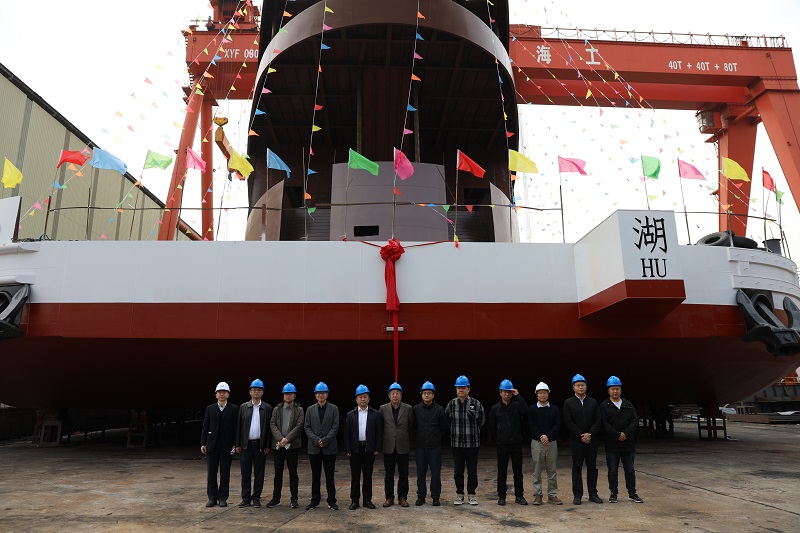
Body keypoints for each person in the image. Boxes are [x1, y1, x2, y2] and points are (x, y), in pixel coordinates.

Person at [599, 376, 644, 504]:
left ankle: (632, 493)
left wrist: (625, 433)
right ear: (608, 390)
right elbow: (604, 423)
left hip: (627, 444)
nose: (615, 391)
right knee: (612, 471)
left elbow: (634, 421)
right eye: (612, 389)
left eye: (617, 389)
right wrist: (617, 434)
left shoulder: (628, 405)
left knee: (630, 470)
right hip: (612, 444)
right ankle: (613, 494)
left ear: (621, 390)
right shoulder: (604, 406)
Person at [445, 375, 485, 505]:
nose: (461, 390)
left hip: (472, 444)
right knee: (458, 471)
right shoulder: (451, 404)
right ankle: (459, 494)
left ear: (469, 389)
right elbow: (447, 421)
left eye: (463, 387)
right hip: (457, 443)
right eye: (458, 388)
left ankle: (472, 494)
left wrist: (474, 432)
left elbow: (482, 420)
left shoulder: (475, 403)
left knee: (472, 471)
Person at [563, 374, 602, 505]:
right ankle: (577, 495)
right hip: (577, 441)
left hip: (592, 440)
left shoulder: (593, 402)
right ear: (573, 387)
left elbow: (598, 419)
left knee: (592, 467)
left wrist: (590, 434)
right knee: (577, 468)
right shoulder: (568, 403)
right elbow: (568, 421)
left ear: (586, 386)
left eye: (583, 385)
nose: (580, 387)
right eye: (578, 385)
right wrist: (581, 434)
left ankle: (593, 494)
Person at [488, 379, 528, 506]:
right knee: (502, 472)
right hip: (502, 444)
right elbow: (491, 426)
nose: (506, 394)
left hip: (516, 443)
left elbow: (525, 410)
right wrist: (498, 439)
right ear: (500, 392)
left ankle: (519, 496)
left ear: (512, 393)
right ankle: (502, 496)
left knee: (518, 472)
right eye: (504, 392)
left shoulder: (516, 405)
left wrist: (518, 396)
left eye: (509, 392)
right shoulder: (495, 408)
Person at [343, 384, 383, 510]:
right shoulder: (350, 414)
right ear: (356, 399)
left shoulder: (375, 414)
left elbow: (379, 432)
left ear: (369, 398)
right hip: (355, 449)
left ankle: (367, 500)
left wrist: (377, 448)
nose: (363, 399)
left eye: (365, 396)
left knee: (368, 476)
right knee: (355, 476)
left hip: (369, 448)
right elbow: (347, 433)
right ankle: (354, 500)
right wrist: (348, 449)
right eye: (360, 397)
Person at [235, 378, 273, 508]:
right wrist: (237, 444)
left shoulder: (267, 408)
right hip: (246, 445)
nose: (256, 392)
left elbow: (269, 429)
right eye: (254, 390)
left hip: (260, 446)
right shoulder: (243, 407)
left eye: (259, 390)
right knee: (245, 472)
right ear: (250, 392)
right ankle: (246, 498)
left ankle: (256, 498)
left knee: (259, 473)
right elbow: (239, 427)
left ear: (262, 392)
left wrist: (267, 445)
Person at [266, 382, 305, 509]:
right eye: (286, 394)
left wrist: (287, 439)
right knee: (278, 473)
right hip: (278, 445)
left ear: (294, 395)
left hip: (292, 446)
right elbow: (272, 424)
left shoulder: (299, 410)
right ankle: (276, 498)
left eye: (290, 394)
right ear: (283, 396)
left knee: (293, 472)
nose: (288, 396)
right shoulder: (277, 409)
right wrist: (280, 439)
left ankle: (294, 499)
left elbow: (299, 427)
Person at [201, 382, 238, 508]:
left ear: (228, 394)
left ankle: (223, 498)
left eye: (224, 392)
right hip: (212, 445)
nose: (222, 394)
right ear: (216, 395)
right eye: (219, 392)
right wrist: (203, 443)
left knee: (225, 473)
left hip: (227, 446)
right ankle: (212, 497)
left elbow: (236, 428)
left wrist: (235, 444)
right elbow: (205, 426)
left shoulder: (234, 409)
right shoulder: (210, 408)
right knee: (211, 473)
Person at [304, 382, 340, 510]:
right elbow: (307, 427)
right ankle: (315, 500)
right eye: (318, 393)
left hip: (329, 448)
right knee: (315, 476)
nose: (321, 395)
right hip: (314, 448)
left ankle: (331, 500)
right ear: (315, 395)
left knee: (330, 475)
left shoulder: (334, 409)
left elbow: (335, 426)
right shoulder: (310, 409)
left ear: (327, 394)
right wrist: (317, 440)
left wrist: (325, 440)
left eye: (323, 393)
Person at [413, 381, 447, 507]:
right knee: (420, 473)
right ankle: (421, 496)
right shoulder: (416, 409)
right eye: (424, 393)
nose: (426, 395)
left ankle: (435, 497)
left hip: (434, 447)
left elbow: (443, 428)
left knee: (435, 473)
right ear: (421, 394)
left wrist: (435, 438)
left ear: (433, 395)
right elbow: (414, 426)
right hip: (420, 447)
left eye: (429, 393)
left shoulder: (439, 410)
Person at [379, 382, 414, 508]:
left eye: (397, 393)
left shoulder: (408, 408)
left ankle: (402, 497)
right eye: (392, 393)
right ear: (389, 395)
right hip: (388, 445)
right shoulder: (383, 409)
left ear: (401, 395)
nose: (395, 396)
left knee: (403, 473)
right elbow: (381, 427)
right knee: (389, 474)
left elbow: (411, 427)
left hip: (403, 445)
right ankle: (389, 498)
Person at [528, 381, 562, 505]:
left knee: (552, 470)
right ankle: (538, 495)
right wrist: (541, 436)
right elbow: (531, 425)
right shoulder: (532, 409)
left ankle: (552, 495)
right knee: (537, 470)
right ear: (536, 394)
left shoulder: (554, 409)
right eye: (540, 393)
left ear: (548, 394)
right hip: (537, 443)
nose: (542, 395)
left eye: (545, 393)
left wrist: (548, 436)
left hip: (551, 443)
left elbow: (557, 425)